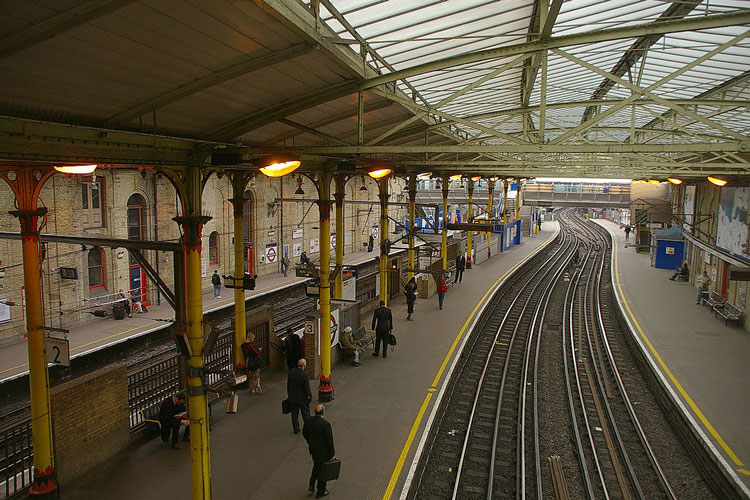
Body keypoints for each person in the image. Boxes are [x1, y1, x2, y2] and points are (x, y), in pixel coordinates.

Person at [303, 404, 336, 499]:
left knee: (316, 466)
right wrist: (332, 454)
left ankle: (311, 484)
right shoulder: (325, 425)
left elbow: (305, 433)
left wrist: (309, 441)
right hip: (323, 452)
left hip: (313, 449)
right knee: (323, 472)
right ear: (323, 412)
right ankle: (321, 491)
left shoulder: (308, 421)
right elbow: (329, 441)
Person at [287, 358, 312, 434]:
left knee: (294, 414)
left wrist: (289, 394)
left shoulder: (291, 373)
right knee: (306, 414)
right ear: (304, 365)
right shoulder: (304, 375)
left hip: (293, 397)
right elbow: (306, 388)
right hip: (303, 399)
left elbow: (288, 385)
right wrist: (309, 396)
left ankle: (296, 428)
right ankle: (307, 429)